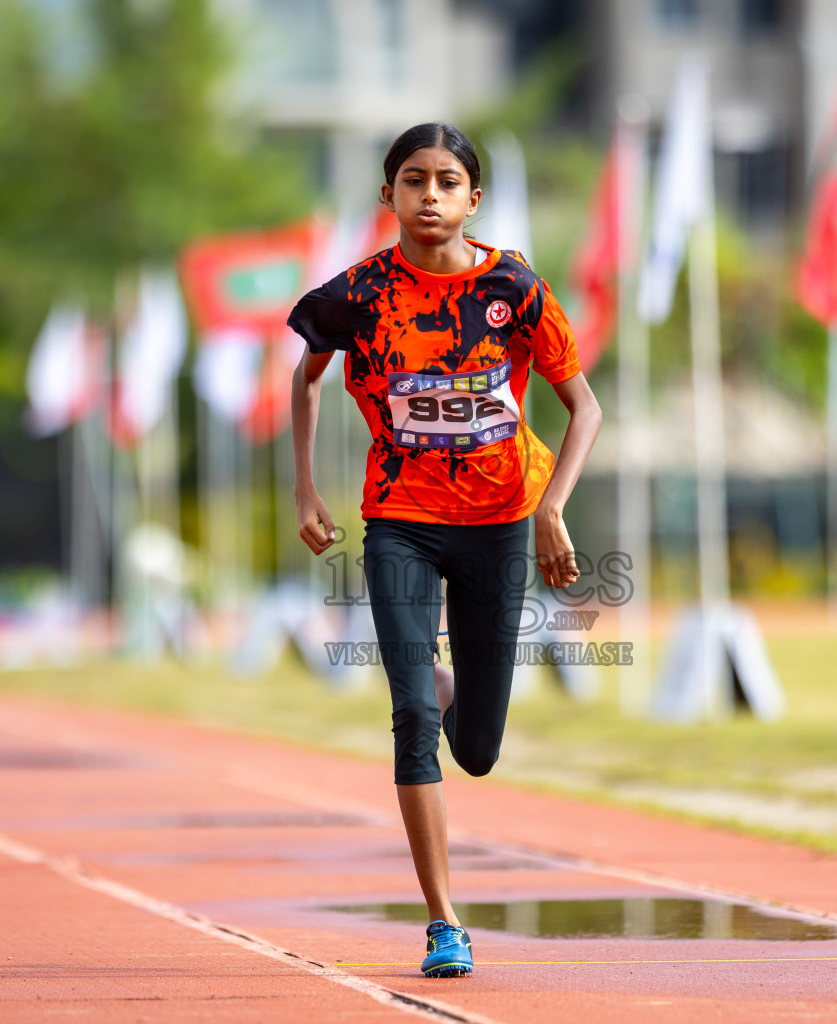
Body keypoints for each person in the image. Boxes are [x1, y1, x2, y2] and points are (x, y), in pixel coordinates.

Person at [287, 123, 602, 977]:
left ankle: (441, 680)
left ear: (473, 199)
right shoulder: (357, 294)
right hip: (400, 518)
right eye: (413, 180)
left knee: (480, 749)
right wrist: (307, 487)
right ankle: (443, 921)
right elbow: (307, 377)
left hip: (499, 521)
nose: (430, 195)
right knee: (412, 718)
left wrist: (552, 508)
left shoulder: (514, 288)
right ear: (387, 196)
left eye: (448, 181)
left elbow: (586, 409)